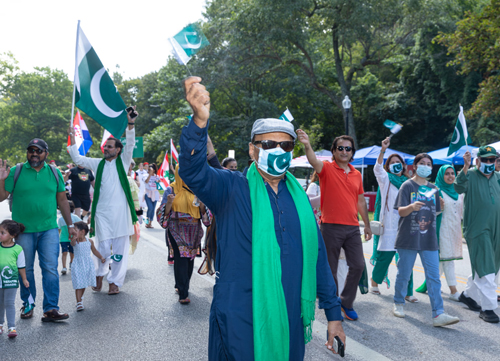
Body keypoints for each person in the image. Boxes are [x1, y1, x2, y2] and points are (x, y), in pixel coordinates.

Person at [179, 76, 345, 359]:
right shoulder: (231, 188)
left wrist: (333, 314)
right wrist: (199, 122)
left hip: (290, 315)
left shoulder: (300, 198)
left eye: (286, 146)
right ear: (252, 150)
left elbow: (317, 256)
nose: (278, 151)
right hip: (239, 317)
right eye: (268, 144)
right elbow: (193, 172)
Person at [298, 129, 372, 321]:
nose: (345, 151)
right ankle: (332, 305)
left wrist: (367, 225)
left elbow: (361, 201)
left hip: (352, 228)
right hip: (330, 226)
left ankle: (346, 303)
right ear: (334, 151)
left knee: (358, 265)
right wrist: (307, 144)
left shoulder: (356, 175)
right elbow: (313, 160)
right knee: (329, 269)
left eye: (348, 149)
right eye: (341, 148)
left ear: (352, 152)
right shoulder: (327, 169)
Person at [0, 138, 74, 322]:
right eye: (31, 150)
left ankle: (50, 309)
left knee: (50, 268)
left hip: (48, 229)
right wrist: (1, 180)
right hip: (23, 231)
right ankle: (29, 303)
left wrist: (70, 225)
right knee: (26, 270)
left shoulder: (55, 173)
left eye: (38, 151)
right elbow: (1, 196)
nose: (34, 153)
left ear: (45, 154)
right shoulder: (16, 171)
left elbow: (63, 201)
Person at [67, 106, 138, 296]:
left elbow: (130, 144)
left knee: (120, 250)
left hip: (121, 214)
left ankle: (114, 282)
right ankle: (100, 274)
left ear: (118, 150)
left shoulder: (123, 162)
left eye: (110, 146)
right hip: (103, 214)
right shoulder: (97, 163)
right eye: (105, 146)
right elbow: (76, 157)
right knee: (103, 247)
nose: (106, 149)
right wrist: (72, 139)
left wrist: (130, 123)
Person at [392, 153, 459, 327]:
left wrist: (441, 208)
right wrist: (411, 207)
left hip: (429, 239)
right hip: (408, 238)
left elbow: (433, 213)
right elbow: (400, 211)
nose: (426, 166)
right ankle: (399, 302)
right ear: (414, 166)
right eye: (422, 163)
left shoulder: (433, 189)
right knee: (404, 274)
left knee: (434, 277)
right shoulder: (407, 186)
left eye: (429, 164)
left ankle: (438, 313)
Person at [454, 146, 500, 323]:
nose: (489, 163)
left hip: (497, 228)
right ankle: (488, 309)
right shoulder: (471, 175)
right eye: (485, 159)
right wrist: (465, 167)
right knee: (486, 266)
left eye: (492, 159)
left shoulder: (498, 177)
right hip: (477, 228)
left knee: (491, 267)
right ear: (478, 160)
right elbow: (458, 187)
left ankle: (468, 295)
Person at [370, 137, 417, 302]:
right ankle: (374, 282)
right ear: (388, 166)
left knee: (406, 260)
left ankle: (407, 292)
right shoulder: (385, 179)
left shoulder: (410, 182)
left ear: (404, 165)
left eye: (399, 162)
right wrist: (383, 150)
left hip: (405, 226)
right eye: (392, 162)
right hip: (389, 226)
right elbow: (377, 168)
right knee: (385, 257)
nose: (395, 164)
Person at [157, 166, 211, 304]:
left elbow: (206, 215)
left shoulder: (198, 189)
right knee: (181, 258)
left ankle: (181, 284)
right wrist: (169, 202)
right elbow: (163, 213)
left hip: (193, 229)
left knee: (189, 259)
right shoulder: (171, 189)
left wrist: (202, 206)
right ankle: (183, 292)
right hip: (176, 228)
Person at [416, 165, 464, 301]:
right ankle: (454, 291)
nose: (450, 176)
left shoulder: (458, 191)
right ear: (441, 176)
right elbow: (428, 212)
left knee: (443, 260)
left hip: (454, 230)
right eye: (447, 174)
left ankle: (430, 285)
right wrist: (440, 209)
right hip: (441, 230)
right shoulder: (436, 191)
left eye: (452, 173)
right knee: (448, 260)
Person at [0, 220, 29, 338]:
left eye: (3, 232)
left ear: (13, 236)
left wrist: (24, 279)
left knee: (9, 303)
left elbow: (21, 266)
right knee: (0, 304)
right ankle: (0, 325)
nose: (0, 235)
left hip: (11, 281)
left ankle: (12, 327)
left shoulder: (18, 249)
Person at [70, 221, 105, 311]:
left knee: (84, 283)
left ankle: (80, 300)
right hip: (78, 265)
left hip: (87, 265)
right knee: (78, 284)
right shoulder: (75, 241)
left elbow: (94, 251)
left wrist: (101, 257)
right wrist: (73, 238)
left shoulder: (89, 241)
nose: (73, 231)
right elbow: (72, 244)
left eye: (75, 229)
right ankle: (78, 303)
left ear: (82, 232)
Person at [58, 201, 82, 275]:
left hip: (71, 239)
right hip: (64, 239)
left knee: (71, 252)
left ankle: (71, 263)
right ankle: (64, 267)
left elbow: (82, 226)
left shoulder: (74, 217)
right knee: (65, 252)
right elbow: (59, 229)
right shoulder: (61, 219)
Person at [144, 163, 160, 228]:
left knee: (153, 209)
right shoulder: (146, 175)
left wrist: (159, 181)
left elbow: (158, 182)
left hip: (155, 194)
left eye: (151, 168)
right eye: (149, 167)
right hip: (148, 194)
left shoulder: (156, 176)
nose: (150, 169)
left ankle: (150, 223)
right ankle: (146, 222)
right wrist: (150, 174)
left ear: (154, 170)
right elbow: (146, 181)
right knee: (150, 208)